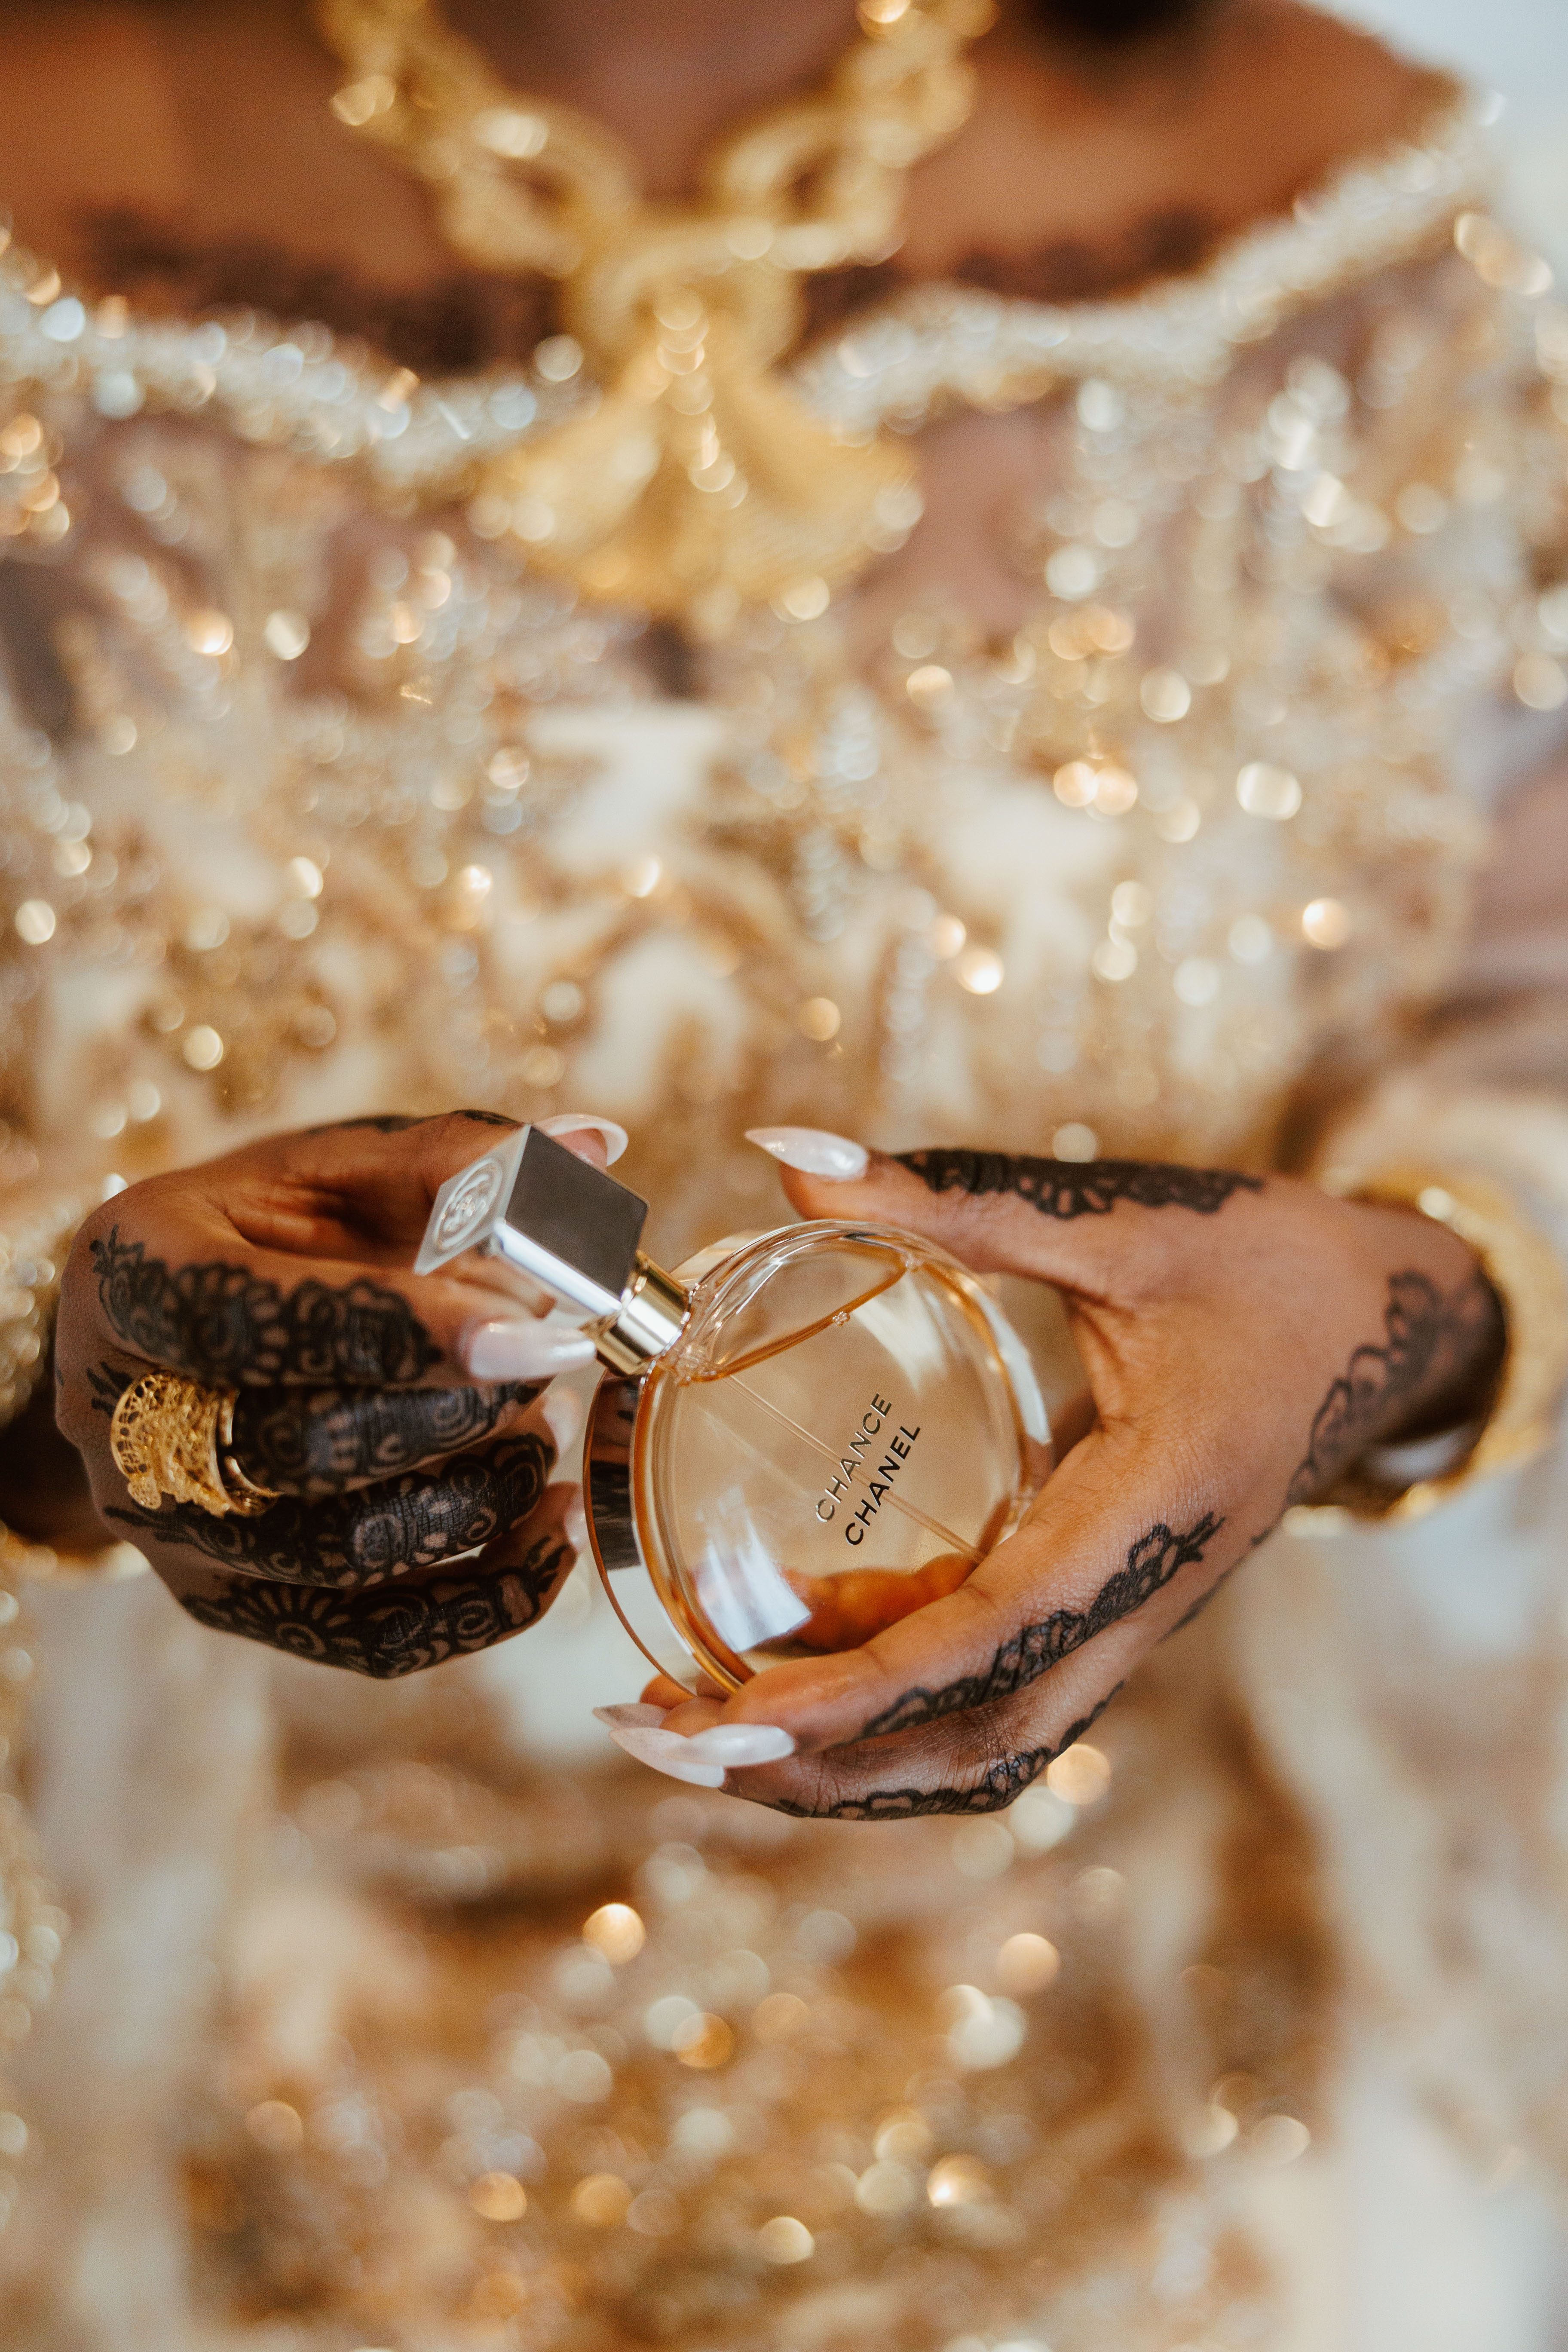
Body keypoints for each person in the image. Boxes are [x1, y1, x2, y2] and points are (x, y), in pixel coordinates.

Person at [0, 0, 1563, 2342]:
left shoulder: (1359, 214)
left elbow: (1531, 1023)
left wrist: (1395, 1320)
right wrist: (64, 1381)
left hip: (1203, 2119)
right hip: (205, 2108)